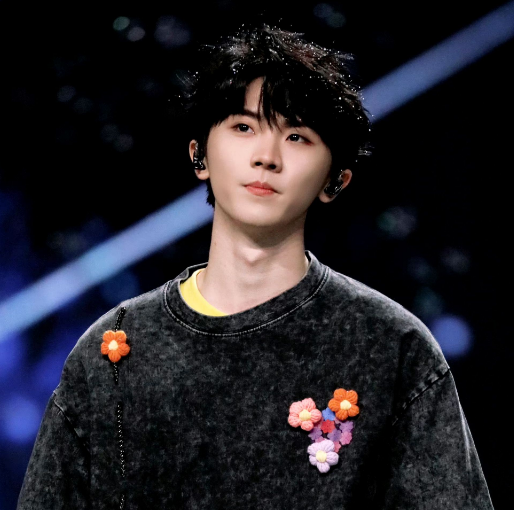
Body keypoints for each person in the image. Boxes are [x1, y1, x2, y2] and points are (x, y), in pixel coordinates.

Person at [18, 24, 493, 509]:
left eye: (297, 136)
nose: (266, 157)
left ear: (336, 180)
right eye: (244, 127)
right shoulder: (112, 351)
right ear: (199, 154)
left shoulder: (391, 347)